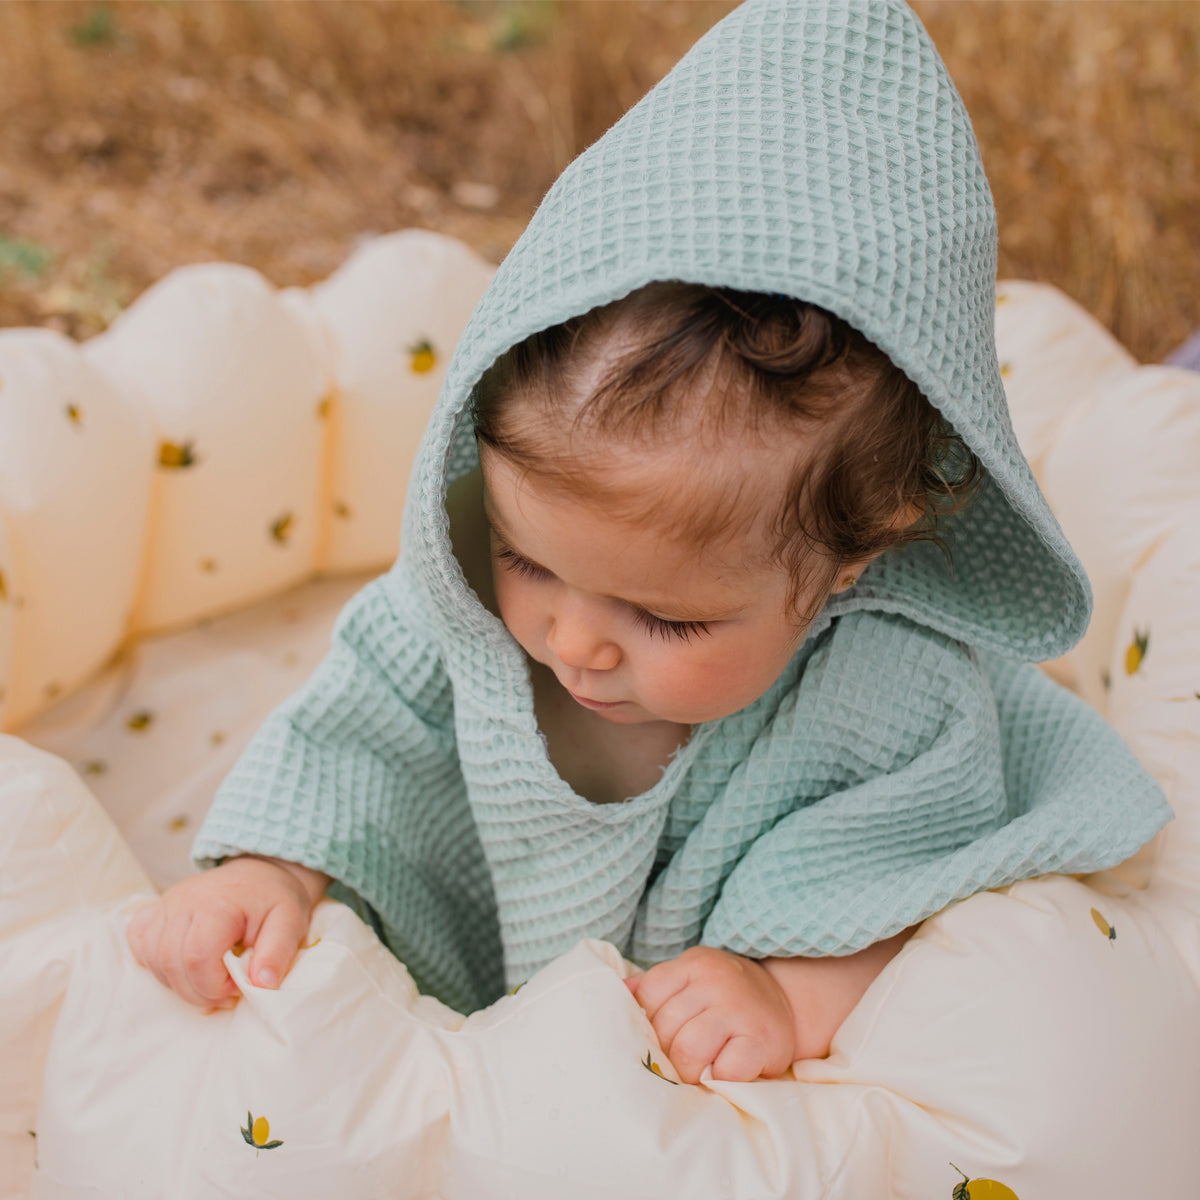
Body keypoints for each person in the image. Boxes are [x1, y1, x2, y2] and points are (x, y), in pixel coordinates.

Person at [127, 0, 1170, 1085]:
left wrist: (789, 986)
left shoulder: (896, 697)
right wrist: (275, 871)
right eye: (532, 560)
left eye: (667, 616)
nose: (574, 642)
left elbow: (918, 881)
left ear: (852, 559)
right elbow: (355, 738)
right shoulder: (459, 592)